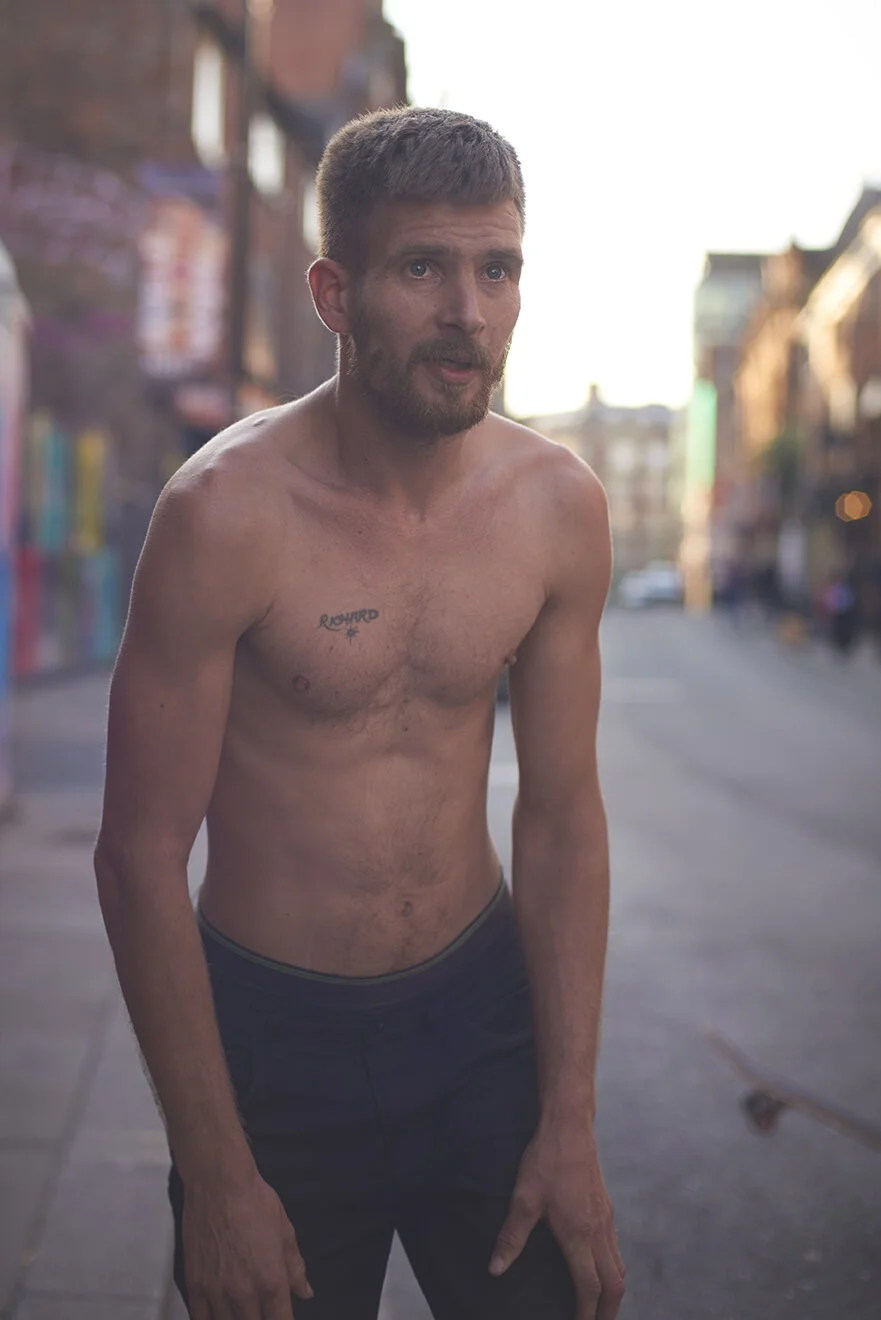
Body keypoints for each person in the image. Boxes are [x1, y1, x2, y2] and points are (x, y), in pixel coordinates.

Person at [95, 106, 624, 1320]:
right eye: (423, 269)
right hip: (276, 1049)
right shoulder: (225, 513)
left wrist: (569, 1117)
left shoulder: (556, 509)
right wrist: (216, 1171)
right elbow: (135, 857)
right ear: (335, 293)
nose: (468, 313)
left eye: (496, 270)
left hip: (478, 1017)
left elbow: (559, 824)